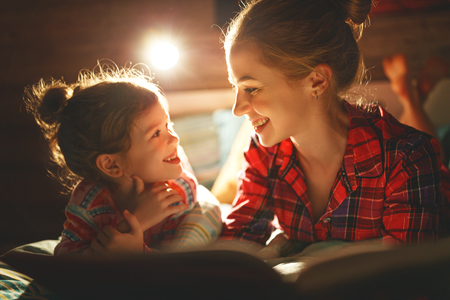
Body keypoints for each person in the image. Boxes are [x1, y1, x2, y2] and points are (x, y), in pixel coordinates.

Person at [219, 0, 448, 256]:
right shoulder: (262, 153)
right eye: (235, 88)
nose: (237, 109)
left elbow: (406, 278)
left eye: (251, 88)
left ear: (316, 81)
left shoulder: (406, 159)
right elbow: (237, 244)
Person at [24, 63, 221, 256]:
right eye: (156, 133)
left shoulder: (176, 188)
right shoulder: (89, 201)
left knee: (208, 209)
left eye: (169, 125)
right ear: (112, 164)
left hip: (174, 237)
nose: (175, 138)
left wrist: (138, 251)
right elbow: (67, 258)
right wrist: (136, 221)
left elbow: (167, 253)